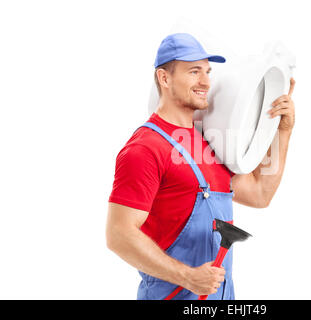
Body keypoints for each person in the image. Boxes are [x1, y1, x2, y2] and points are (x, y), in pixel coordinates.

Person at [106, 33, 295, 300]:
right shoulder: (145, 149)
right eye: (194, 71)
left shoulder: (210, 143)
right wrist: (188, 277)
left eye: (207, 71)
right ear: (164, 78)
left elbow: (259, 194)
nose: (206, 81)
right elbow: (118, 235)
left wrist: (282, 130)